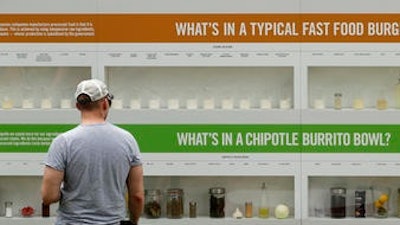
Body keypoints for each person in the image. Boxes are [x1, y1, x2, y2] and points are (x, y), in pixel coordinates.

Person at [41, 79, 144, 225]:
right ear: (105, 103)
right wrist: (134, 221)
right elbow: (137, 196)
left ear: (78, 106)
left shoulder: (63, 142)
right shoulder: (127, 140)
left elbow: (48, 196)